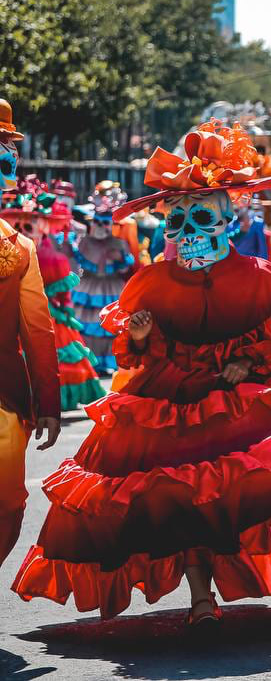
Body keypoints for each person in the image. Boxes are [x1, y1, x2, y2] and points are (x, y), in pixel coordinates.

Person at [12, 120, 271, 622]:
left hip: (243, 399)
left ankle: (239, 573)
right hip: (170, 404)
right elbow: (134, 356)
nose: (185, 234)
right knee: (181, 496)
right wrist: (140, 335)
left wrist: (247, 362)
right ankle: (201, 595)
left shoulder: (257, 276)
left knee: (263, 482)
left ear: (227, 220)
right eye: (175, 222)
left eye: (199, 218)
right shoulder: (152, 282)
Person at [0, 101, 61, 566]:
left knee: (8, 510)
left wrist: (49, 403)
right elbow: (37, 329)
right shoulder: (17, 248)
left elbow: (37, 329)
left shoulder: (18, 248)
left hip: (5, 402)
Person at [3, 184, 106, 411]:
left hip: (47, 317)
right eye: (16, 227)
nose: (22, 233)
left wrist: (67, 313)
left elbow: (63, 294)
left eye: (28, 227)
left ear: (43, 228)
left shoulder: (53, 259)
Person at [73, 184, 135, 375]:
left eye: (105, 223)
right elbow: (77, 263)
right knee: (87, 325)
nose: (101, 227)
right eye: (98, 222)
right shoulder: (84, 242)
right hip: (89, 286)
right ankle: (89, 362)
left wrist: (119, 258)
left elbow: (126, 266)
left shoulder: (119, 243)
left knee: (111, 325)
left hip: (112, 286)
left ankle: (110, 361)